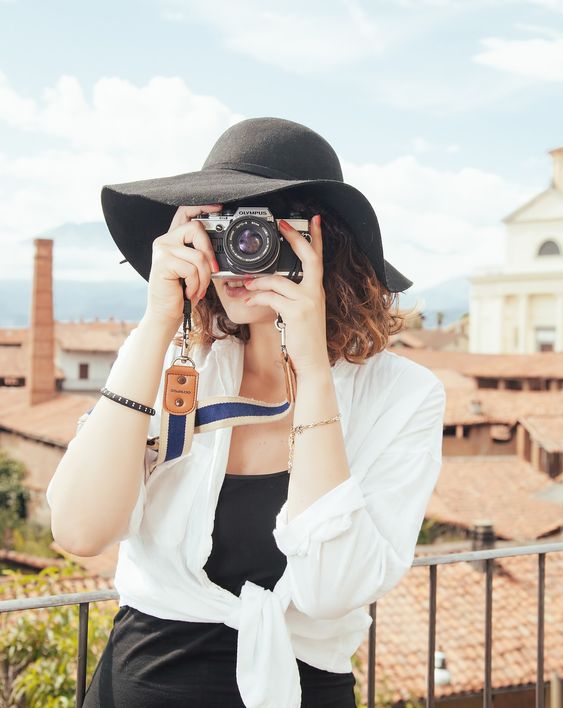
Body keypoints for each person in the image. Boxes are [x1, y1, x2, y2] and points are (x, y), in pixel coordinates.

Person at [46, 117, 446, 708]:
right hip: (142, 682)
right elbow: (79, 530)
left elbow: (332, 589)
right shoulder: (174, 363)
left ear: (321, 242)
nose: (240, 248)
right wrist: (158, 320)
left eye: (260, 227)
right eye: (220, 225)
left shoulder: (404, 396)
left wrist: (311, 370)